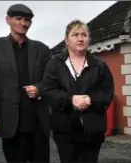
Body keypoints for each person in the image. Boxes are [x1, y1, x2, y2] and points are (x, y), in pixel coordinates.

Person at [0, 3, 51, 163]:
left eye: (27, 20)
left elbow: (51, 79)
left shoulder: (42, 49)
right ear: (8, 20)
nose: (23, 23)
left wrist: (39, 89)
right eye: (18, 18)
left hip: (37, 122)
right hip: (10, 122)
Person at [42, 19, 114, 163]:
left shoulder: (100, 66)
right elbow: (48, 91)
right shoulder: (55, 64)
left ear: (88, 39)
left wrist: (90, 100)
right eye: (75, 35)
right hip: (65, 130)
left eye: (84, 35)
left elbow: (107, 93)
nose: (80, 39)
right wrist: (71, 99)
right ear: (66, 40)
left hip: (92, 130)